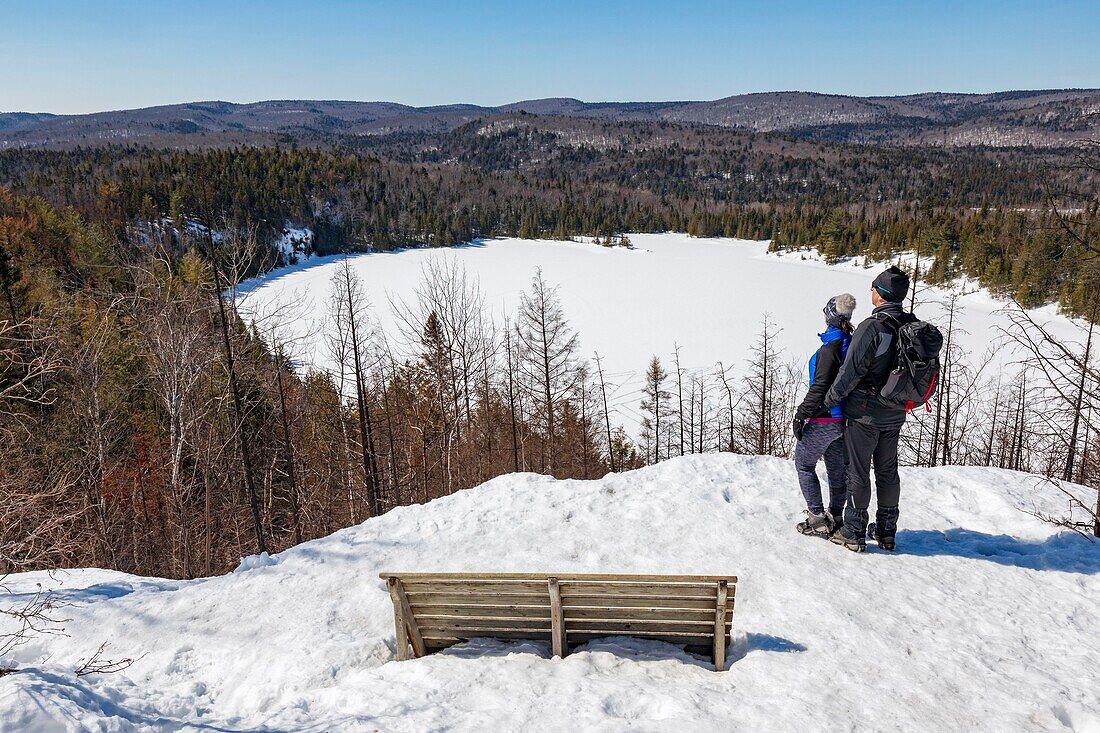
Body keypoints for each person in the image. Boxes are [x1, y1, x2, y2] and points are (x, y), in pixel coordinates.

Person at [822, 266, 914, 552]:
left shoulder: (872, 327)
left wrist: (828, 401)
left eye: (873, 288)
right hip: (895, 412)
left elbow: (850, 372)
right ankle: (887, 532)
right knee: (888, 472)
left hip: (864, 414)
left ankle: (853, 533)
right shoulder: (911, 326)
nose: (870, 292)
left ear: (882, 294)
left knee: (858, 473)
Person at [792, 293, 857, 537]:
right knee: (836, 469)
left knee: (804, 464)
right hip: (845, 421)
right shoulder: (850, 344)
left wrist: (800, 415)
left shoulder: (830, 348)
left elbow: (820, 388)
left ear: (830, 317)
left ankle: (817, 518)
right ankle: (836, 516)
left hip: (824, 418)